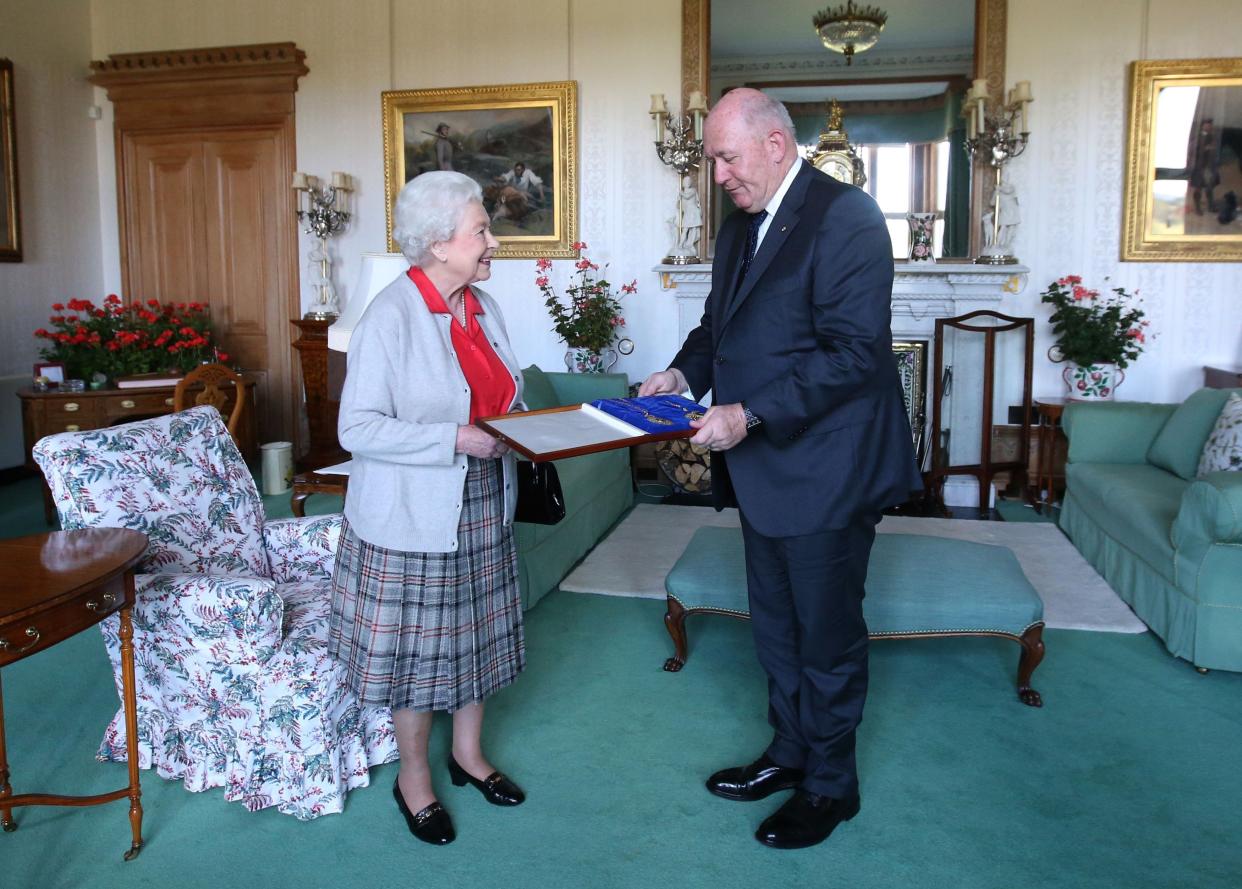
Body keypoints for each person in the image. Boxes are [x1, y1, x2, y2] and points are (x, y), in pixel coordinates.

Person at [639, 88, 920, 850]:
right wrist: (679, 376)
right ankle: (790, 751)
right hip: (763, 470)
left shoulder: (848, 218)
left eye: (727, 158)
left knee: (825, 636)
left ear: (772, 143)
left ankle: (832, 785)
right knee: (776, 628)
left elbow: (853, 356)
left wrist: (746, 413)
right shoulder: (737, 230)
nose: (719, 174)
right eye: (712, 160)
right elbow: (716, 330)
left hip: (829, 469)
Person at [330, 171, 528, 847]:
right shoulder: (390, 316)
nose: (491, 241)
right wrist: (452, 437)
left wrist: (527, 426)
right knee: (418, 659)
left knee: (475, 637)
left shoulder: (479, 306)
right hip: (412, 513)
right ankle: (413, 777)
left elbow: (502, 392)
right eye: (481, 231)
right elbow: (356, 430)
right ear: (441, 244)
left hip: (480, 499)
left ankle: (467, 756)